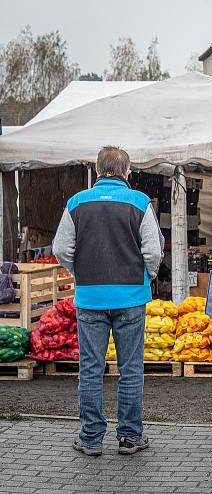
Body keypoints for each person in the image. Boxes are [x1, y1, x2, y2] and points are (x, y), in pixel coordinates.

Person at [53, 146, 163, 457]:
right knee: (130, 368)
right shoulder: (140, 203)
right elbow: (153, 251)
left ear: (97, 171)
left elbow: (62, 248)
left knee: (90, 369)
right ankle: (129, 436)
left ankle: (90, 438)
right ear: (127, 173)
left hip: (90, 297)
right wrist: (147, 276)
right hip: (130, 297)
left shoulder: (76, 203)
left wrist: (81, 272)